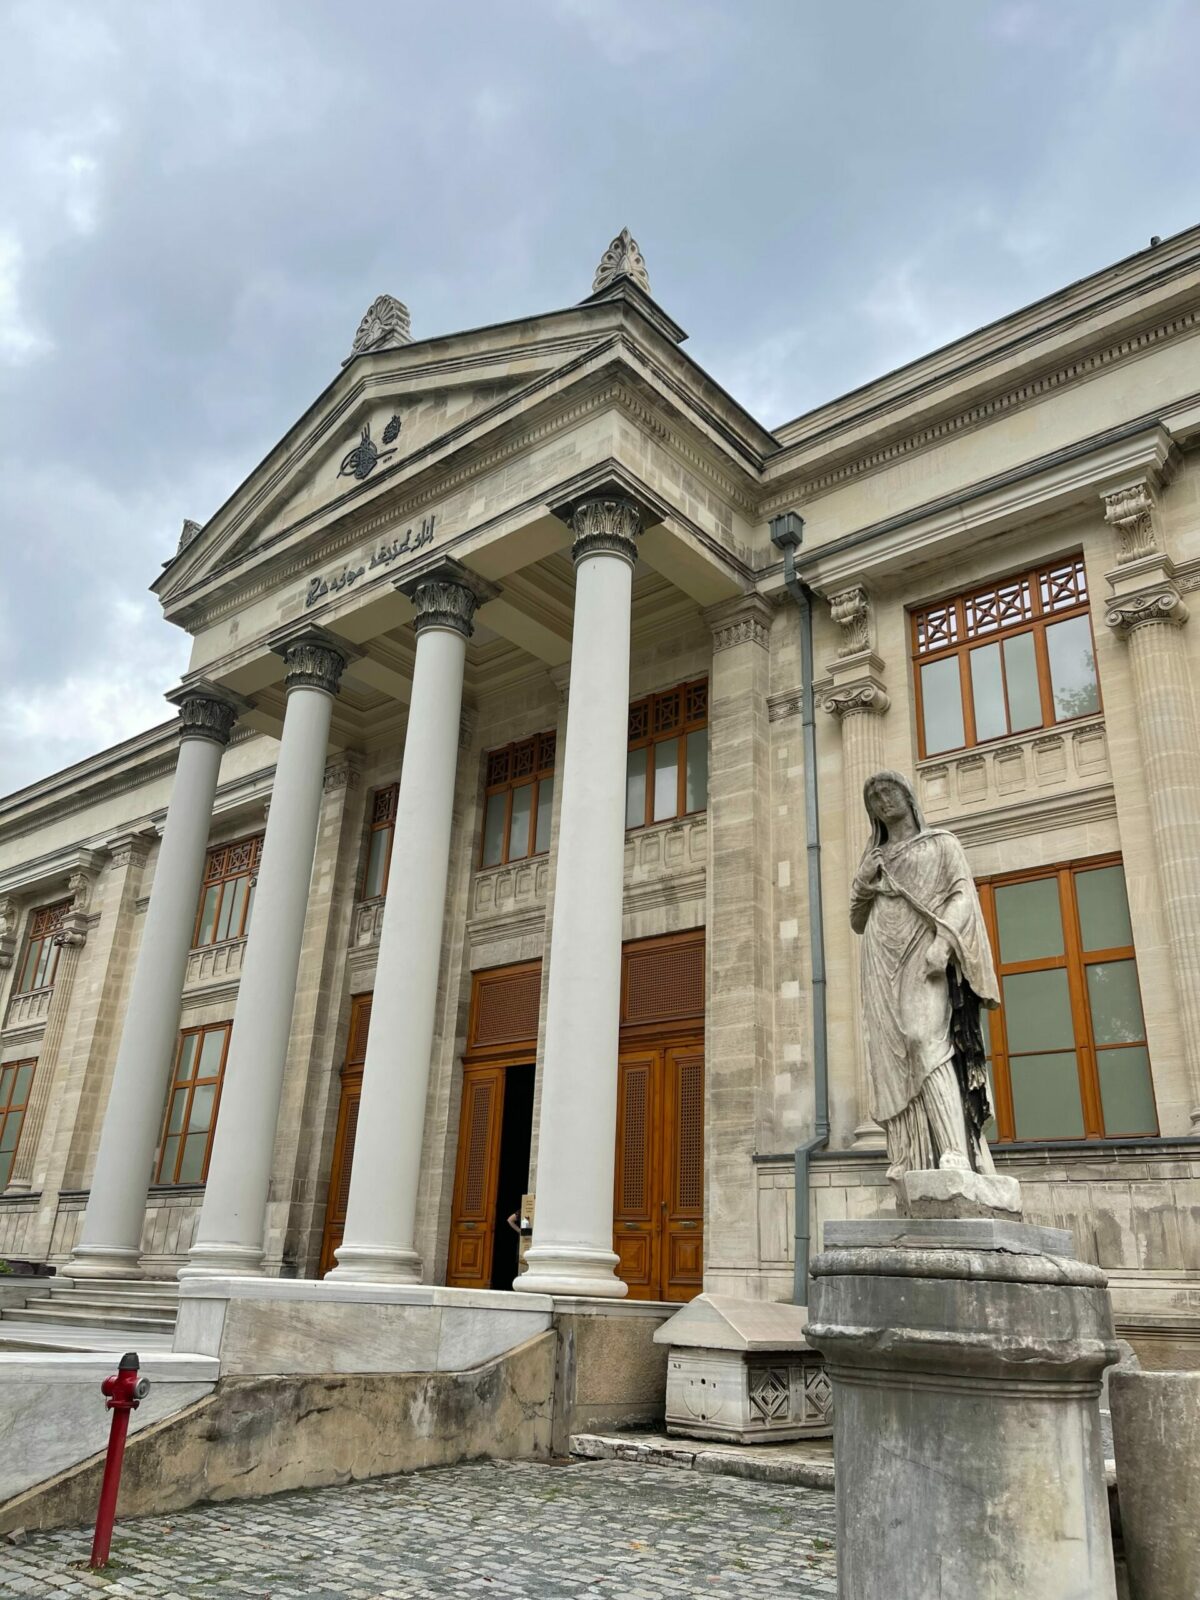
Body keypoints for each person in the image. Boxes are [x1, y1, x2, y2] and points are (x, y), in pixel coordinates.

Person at [850, 769, 1000, 1189]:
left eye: (888, 791)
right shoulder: (874, 858)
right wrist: (865, 881)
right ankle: (911, 1156)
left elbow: (962, 896)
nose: (883, 800)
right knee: (893, 1056)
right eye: (874, 796)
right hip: (881, 956)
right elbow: (856, 919)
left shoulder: (942, 844)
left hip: (925, 951)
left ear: (907, 795)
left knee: (924, 1039)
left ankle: (956, 1151)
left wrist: (944, 944)